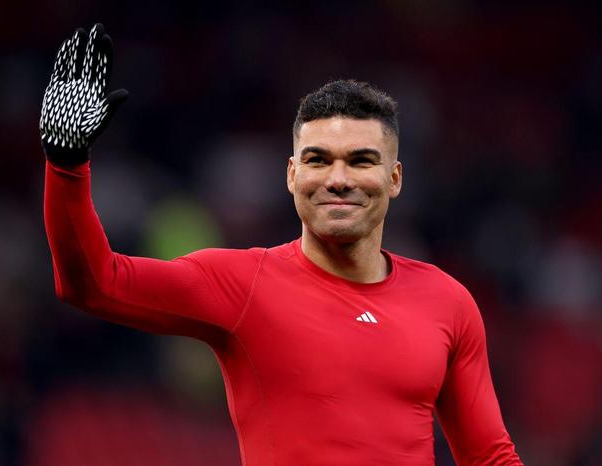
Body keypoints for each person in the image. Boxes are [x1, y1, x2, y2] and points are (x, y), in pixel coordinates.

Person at [41, 23, 523, 465]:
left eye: (360, 160)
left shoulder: (447, 302)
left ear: (394, 178)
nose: (338, 179)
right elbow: (93, 283)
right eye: (318, 160)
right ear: (292, 175)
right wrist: (66, 166)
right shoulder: (242, 284)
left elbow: (489, 456)